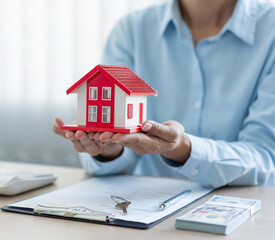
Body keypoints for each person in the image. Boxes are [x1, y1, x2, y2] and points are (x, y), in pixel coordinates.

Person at [53, 0, 275, 188]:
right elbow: (121, 149)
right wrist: (109, 149)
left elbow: (267, 158)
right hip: (143, 209)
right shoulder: (132, 30)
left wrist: (184, 149)